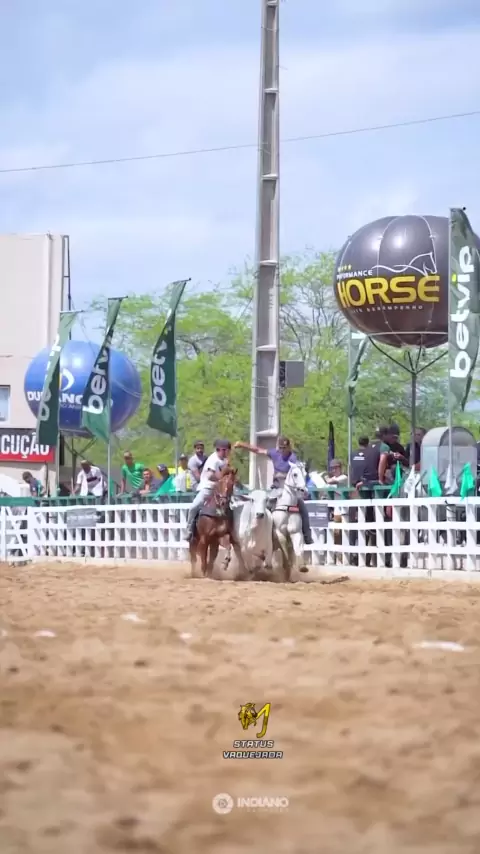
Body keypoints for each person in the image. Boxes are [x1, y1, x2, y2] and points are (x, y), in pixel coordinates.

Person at [233, 436, 313, 545]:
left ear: (289, 447)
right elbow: (258, 450)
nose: (282, 450)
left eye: (284, 448)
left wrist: (284, 476)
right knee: (264, 506)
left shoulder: (293, 458)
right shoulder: (275, 453)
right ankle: (261, 535)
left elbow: (297, 472)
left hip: (288, 490)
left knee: (302, 508)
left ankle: (307, 535)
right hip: (276, 489)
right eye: (281, 448)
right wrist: (242, 444)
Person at [185, 439, 231, 540]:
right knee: (193, 507)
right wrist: (222, 478)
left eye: (228, 450)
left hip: (221, 488)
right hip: (208, 487)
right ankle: (189, 530)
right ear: (219, 450)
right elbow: (211, 476)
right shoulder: (213, 459)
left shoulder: (225, 460)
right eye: (225, 450)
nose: (227, 452)